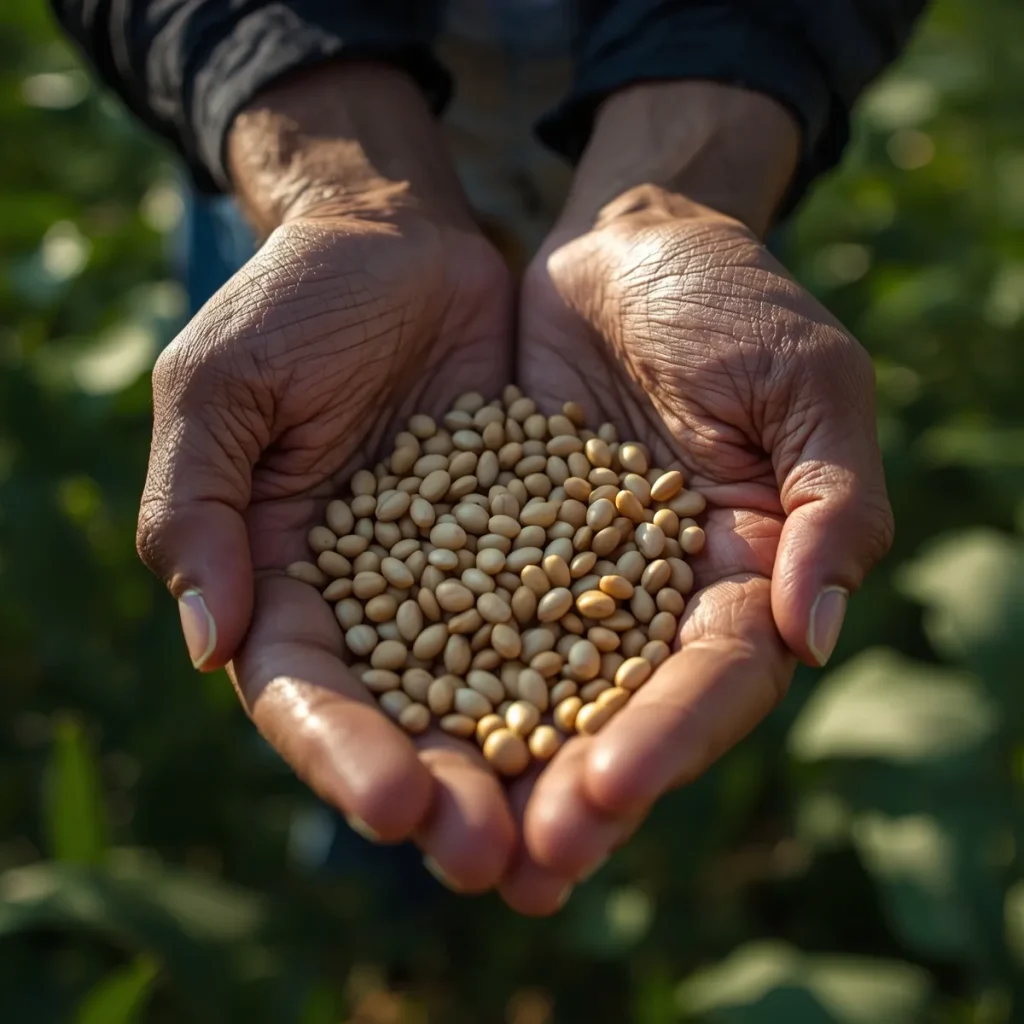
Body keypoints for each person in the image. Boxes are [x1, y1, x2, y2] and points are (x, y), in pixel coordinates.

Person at [52, 0, 919, 916]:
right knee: (362, 723)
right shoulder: (471, 536)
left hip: (696, 195)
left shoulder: (565, 532)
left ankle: (544, 888)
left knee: (578, 747)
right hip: (288, 176)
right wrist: (333, 180)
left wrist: (685, 185)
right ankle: (387, 904)